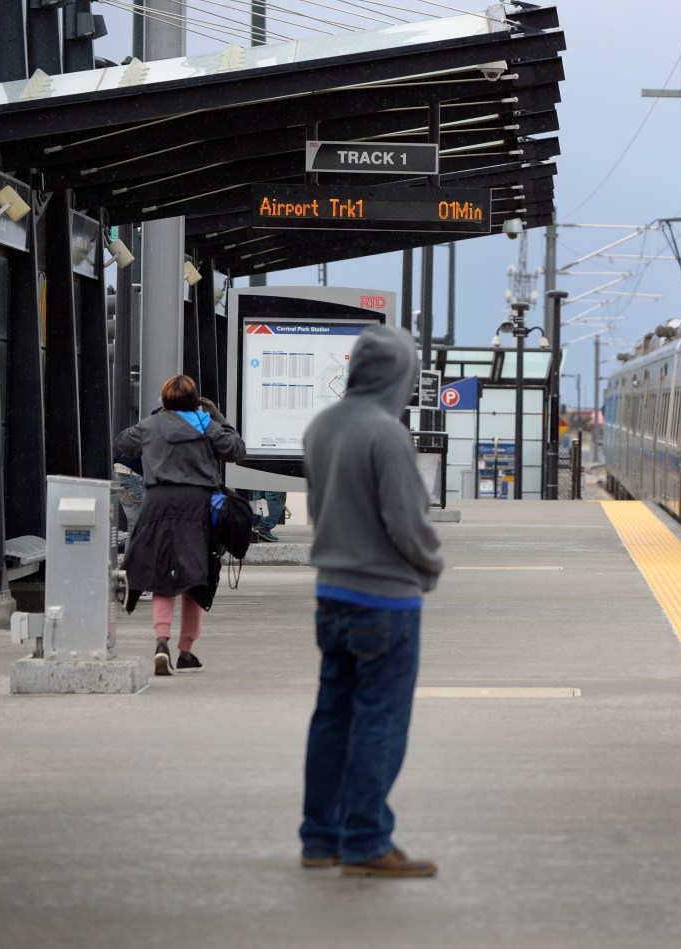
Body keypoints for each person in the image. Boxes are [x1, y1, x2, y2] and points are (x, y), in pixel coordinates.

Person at [299, 324, 444, 878]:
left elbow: (319, 511)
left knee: (332, 716)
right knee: (379, 720)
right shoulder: (386, 433)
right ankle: (366, 842)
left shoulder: (322, 426)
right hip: (385, 600)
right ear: (400, 375)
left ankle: (320, 838)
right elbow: (408, 523)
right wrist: (431, 566)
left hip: (331, 592)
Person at [116, 375, 246, 676]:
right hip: (196, 507)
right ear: (195, 400)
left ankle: (161, 641)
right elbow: (237, 449)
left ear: (165, 400)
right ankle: (185, 651)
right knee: (195, 578)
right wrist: (216, 416)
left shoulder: (151, 425)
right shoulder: (205, 424)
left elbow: (124, 443)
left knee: (162, 576)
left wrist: (157, 418)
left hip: (157, 505)